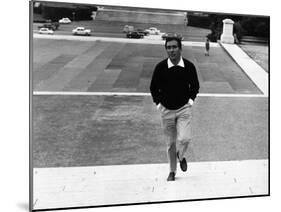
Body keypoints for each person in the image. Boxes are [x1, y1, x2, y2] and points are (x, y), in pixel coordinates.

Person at [150, 36, 200, 181]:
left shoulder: (189, 66)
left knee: (185, 138)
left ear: (180, 48)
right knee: (170, 143)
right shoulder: (160, 67)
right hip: (166, 110)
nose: (171, 50)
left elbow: (195, 86)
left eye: (174, 47)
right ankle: (172, 171)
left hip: (184, 109)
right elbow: (153, 87)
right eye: (169, 47)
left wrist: (190, 101)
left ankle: (181, 155)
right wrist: (159, 104)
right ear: (166, 49)